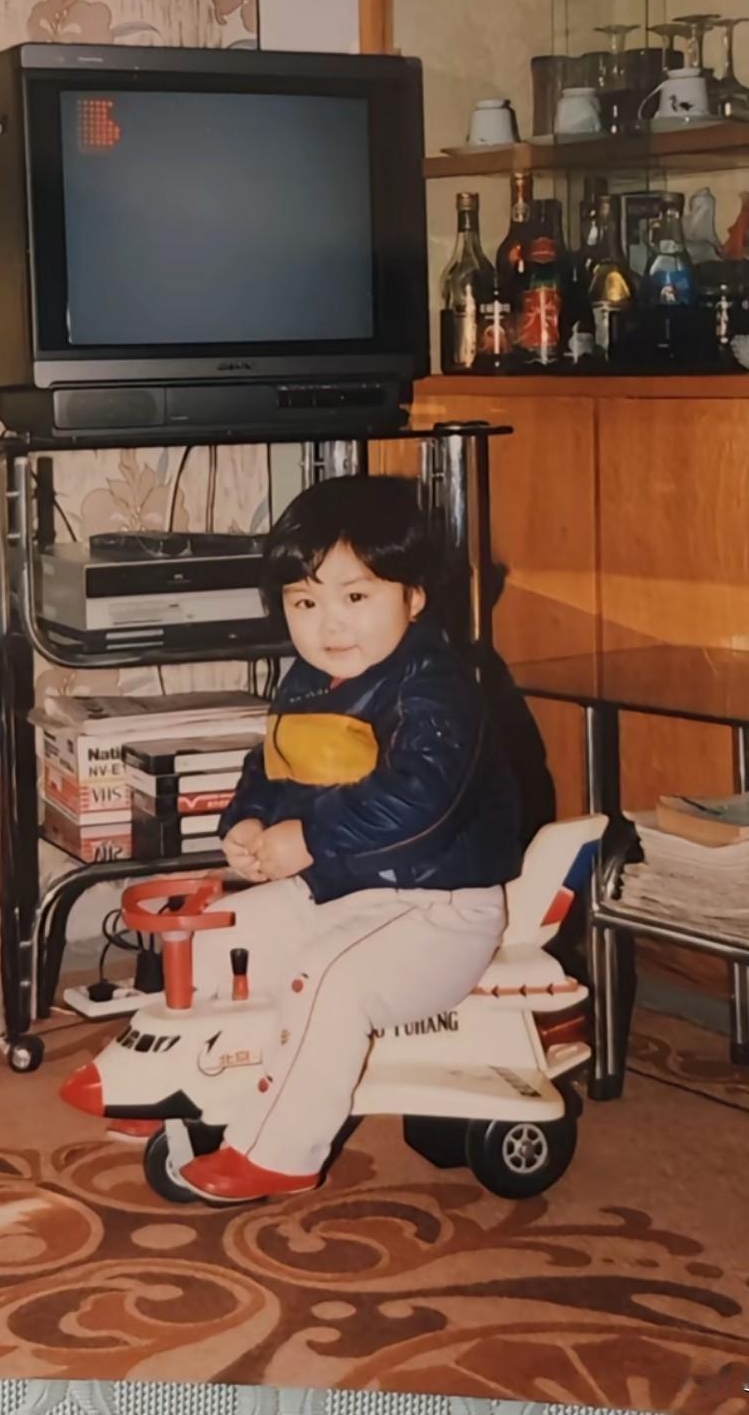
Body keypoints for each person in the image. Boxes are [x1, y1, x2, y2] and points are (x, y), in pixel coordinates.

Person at [177, 473, 522, 1206]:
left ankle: (280, 1151)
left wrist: (310, 838)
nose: (329, 625)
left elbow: (421, 799)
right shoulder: (309, 678)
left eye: (356, 597)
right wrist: (246, 820)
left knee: (326, 980)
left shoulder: (439, 687)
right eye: (304, 602)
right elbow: (272, 763)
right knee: (215, 933)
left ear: (414, 597)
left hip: (437, 904)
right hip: (342, 887)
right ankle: (189, 1090)